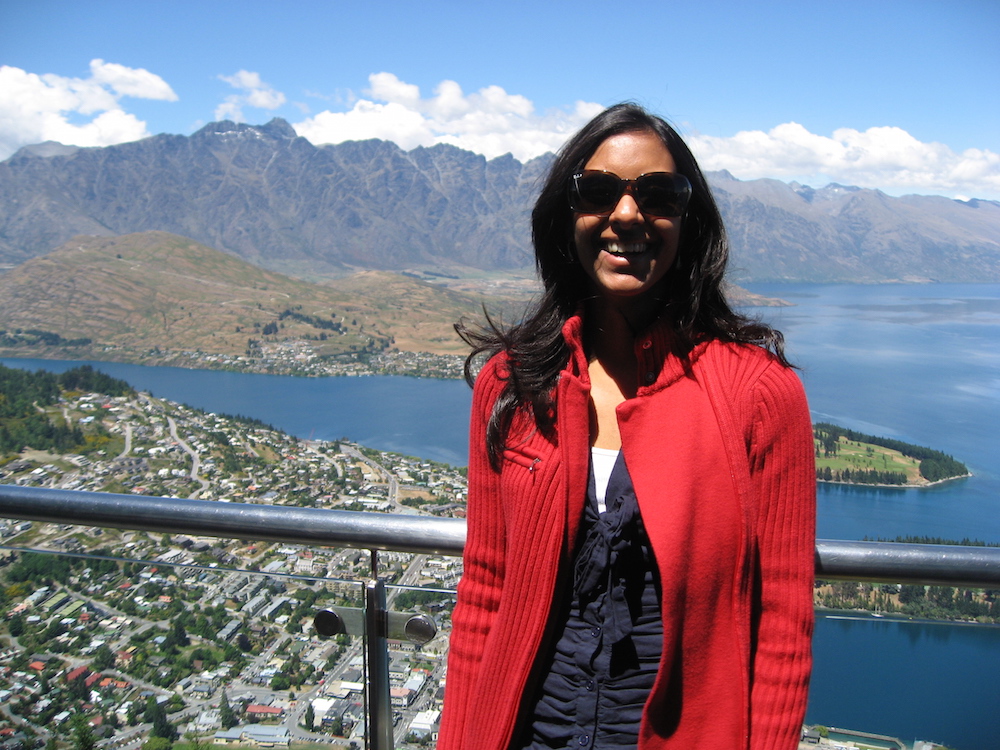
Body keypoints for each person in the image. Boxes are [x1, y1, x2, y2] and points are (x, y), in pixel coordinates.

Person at [439, 103, 816, 750]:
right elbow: (485, 592)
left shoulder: (759, 396)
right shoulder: (512, 385)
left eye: (659, 195)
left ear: (689, 222)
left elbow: (782, 626)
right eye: (597, 191)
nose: (627, 215)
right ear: (566, 215)